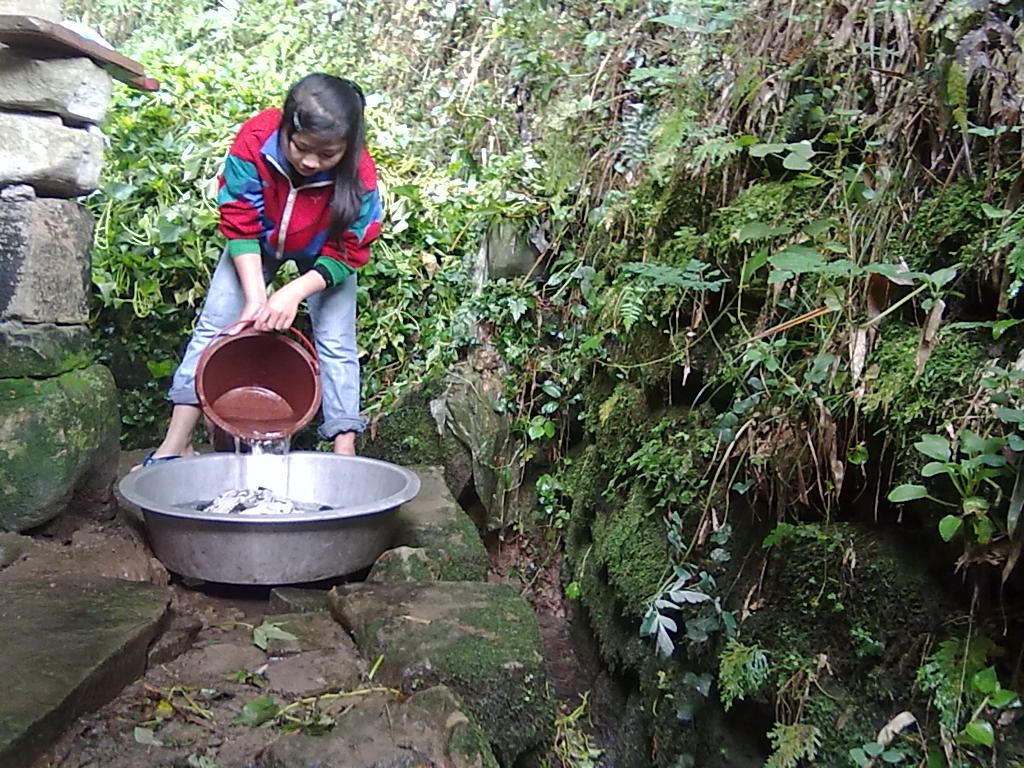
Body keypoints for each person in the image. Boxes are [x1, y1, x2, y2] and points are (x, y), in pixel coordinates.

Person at [140, 73, 382, 466]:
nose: (310, 162)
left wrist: (293, 292)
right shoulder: (256, 139)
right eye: (300, 147)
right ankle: (175, 444)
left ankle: (345, 454)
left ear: (349, 146)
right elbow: (239, 218)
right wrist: (256, 299)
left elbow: (351, 248)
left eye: (327, 155)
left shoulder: (361, 176)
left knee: (337, 343)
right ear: (285, 125)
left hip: (326, 253)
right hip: (257, 242)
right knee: (217, 324)